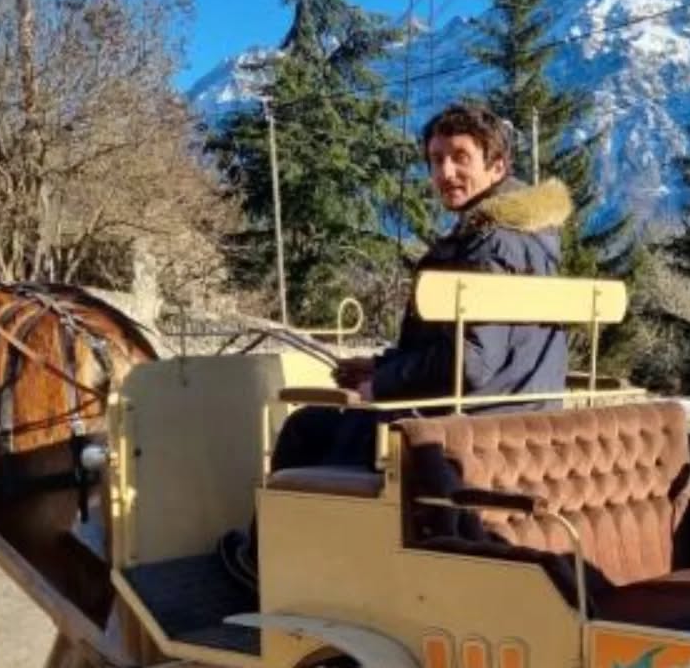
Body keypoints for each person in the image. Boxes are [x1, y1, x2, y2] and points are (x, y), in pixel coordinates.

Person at [218, 100, 573, 589]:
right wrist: (379, 366)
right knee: (325, 426)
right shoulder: (532, 239)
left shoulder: (488, 246)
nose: (445, 172)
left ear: (497, 166)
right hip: (516, 412)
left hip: (467, 421)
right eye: (436, 159)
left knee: (308, 426)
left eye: (460, 157)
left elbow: (471, 364)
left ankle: (278, 566)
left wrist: (380, 385)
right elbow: (483, 350)